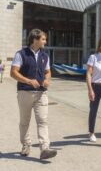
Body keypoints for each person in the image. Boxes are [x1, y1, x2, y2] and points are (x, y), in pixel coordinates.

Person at [10, 28, 57, 160]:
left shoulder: (45, 56)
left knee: (43, 121)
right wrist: (28, 81)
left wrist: (47, 80)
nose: (45, 42)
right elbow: (13, 72)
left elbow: (48, 72)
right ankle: (26, 145)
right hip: (25, 92)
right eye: (43, 39)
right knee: (25, 121)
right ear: (34, 40)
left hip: (41, 94)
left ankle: (44, 148)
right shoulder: (21, 54)